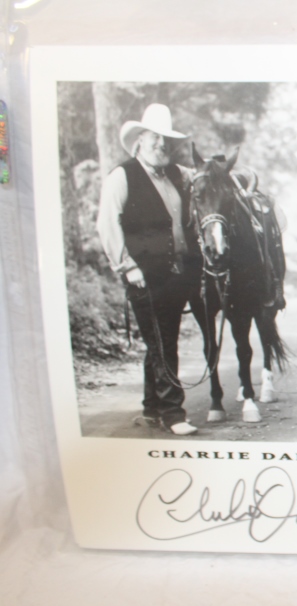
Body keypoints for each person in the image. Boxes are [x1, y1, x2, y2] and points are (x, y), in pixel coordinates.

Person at [96, 103, 202, 436]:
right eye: (155, 138)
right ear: (140, 139)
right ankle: (174, 414)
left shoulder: (177, 174)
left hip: (176, 274)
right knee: (163, 344)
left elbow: (204, 179)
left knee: (160, 340)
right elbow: (107, 224)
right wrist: (127, 266)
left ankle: (152, 409)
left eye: (166, 140)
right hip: (144, 276)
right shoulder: (122, 176)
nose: (162, 145)